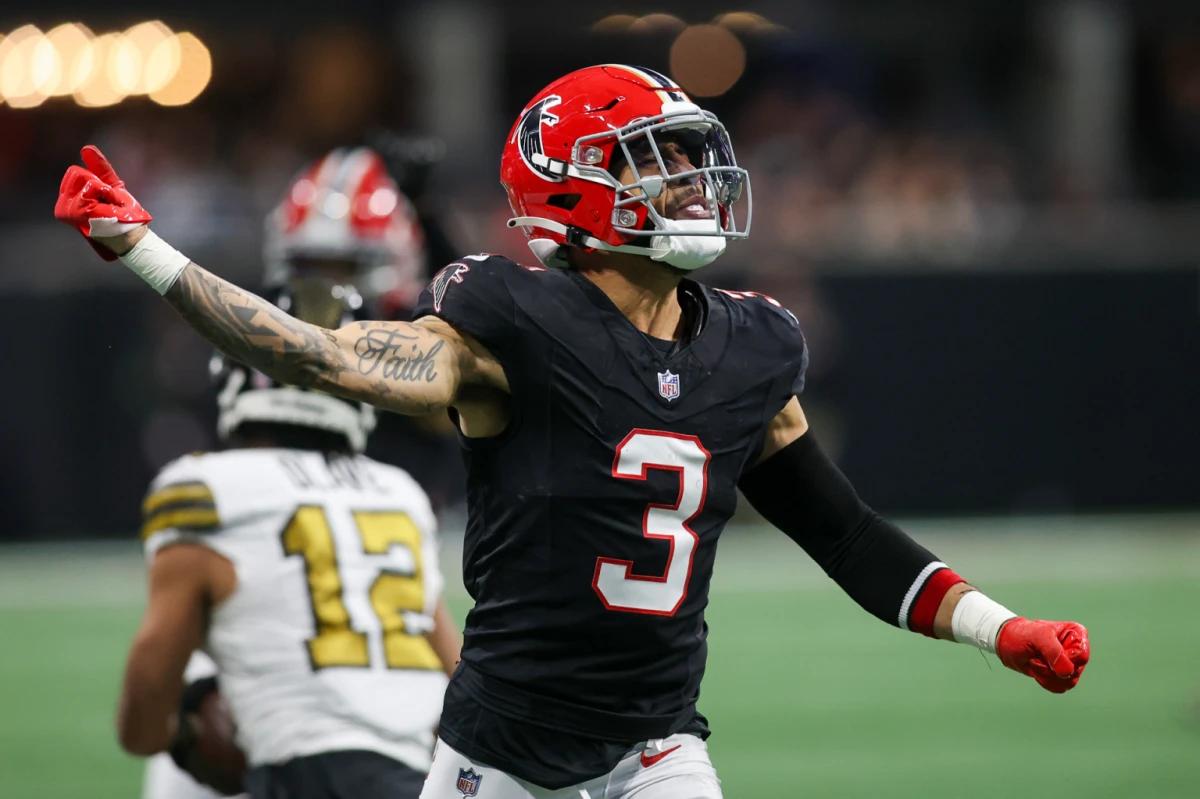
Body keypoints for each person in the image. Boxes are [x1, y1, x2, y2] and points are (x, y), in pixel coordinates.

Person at [59, 64, 1089, 799]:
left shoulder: (755, 342)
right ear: (570, 188)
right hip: (494, 759)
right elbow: (319, 353)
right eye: (655, 162)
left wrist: (1000, 627)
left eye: (692, 159)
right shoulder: (512, 321)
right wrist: (146, 249)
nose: (690, 183)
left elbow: (849, 535)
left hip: (656, 751)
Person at [114, 187, 461, 798]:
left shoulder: (206, 488)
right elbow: (459, 682)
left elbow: (140, 729)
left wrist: (189, 730)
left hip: (306, 776)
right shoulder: (396, 491)